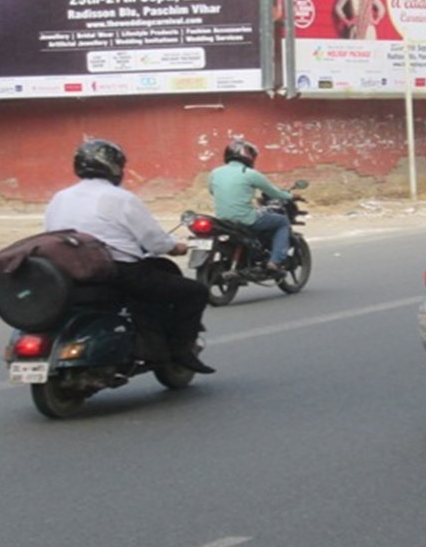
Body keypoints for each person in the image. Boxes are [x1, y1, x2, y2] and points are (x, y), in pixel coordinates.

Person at [43, 138, 215, 374]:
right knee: (195, 291)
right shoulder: (120, 198)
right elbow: (153, 240)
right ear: (114, 166)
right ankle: (180, 350)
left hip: (69, 273)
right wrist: (175, 247)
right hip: (119, 273)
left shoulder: (59, 198)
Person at [208, 138, 298, 281]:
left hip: (223, 219)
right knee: (281, 221)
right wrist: (291, 196)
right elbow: (273, 192)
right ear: (248, 156)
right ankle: (274, 263)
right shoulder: (250, 174)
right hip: (245, 218)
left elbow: (213, 191)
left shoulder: (215, 173)